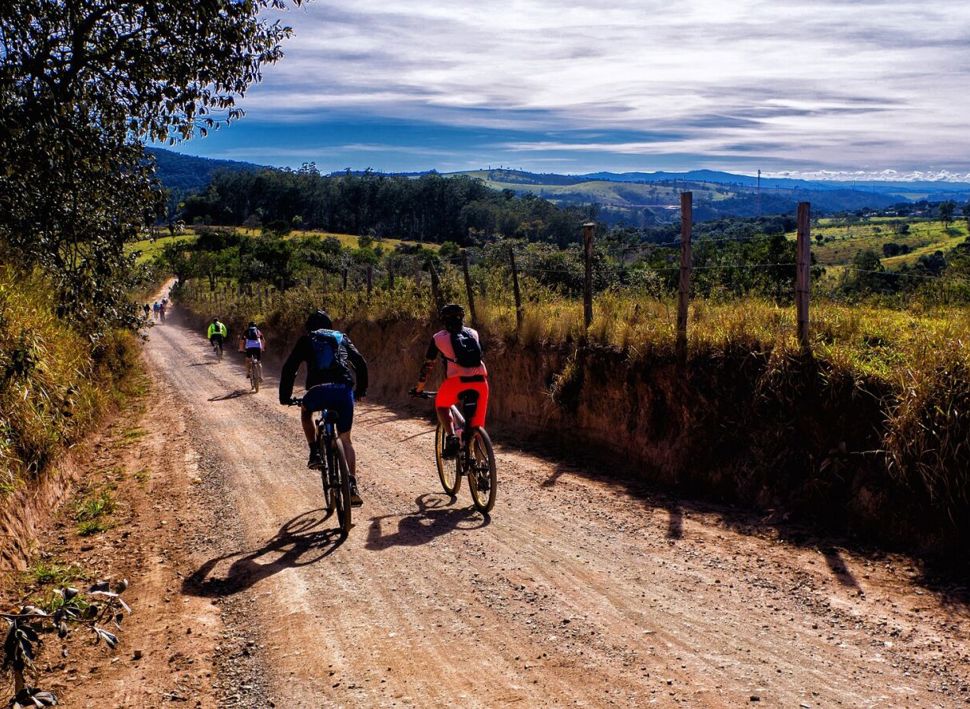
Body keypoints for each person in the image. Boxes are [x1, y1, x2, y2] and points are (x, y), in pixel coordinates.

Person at [279, 310, 368, 506]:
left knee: (305, 412)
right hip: (343, 391)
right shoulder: (341, 337)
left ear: (308, 326)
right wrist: (360, 390)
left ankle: (314, 452)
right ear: (329, 324)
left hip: (317, 391)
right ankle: (351, 483)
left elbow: (290, 368)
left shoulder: (306, 339)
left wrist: (285, 396)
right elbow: (360, 363)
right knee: (346, 439)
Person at [411, 303, 488, 459]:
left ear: (443, 320)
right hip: (481, 383)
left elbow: (427, 367)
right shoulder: (473, 333)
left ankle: (452, 437)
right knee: (477, 428)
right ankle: (484, 474)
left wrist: (419, 389)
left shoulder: (438, 338)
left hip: (456, 383)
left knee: (441, 405)